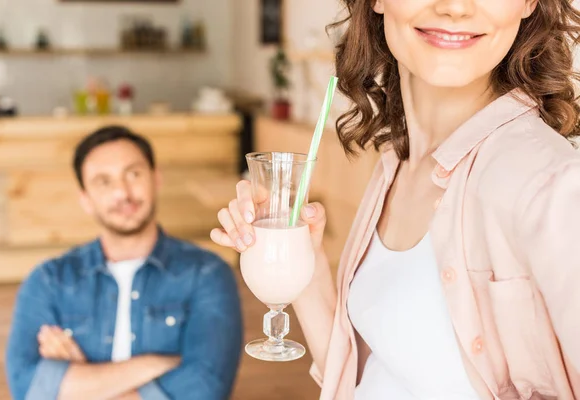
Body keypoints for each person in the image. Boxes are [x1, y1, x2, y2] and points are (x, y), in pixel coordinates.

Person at [212, 0, 580, 399]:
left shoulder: (550, 183)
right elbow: (364, 376)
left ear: (528, 4)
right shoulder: (398, 162)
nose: (455, 8)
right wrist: (305, 263)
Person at [7, 125, 243, 400]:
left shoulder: (207, 273)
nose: (123, 192)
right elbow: (27, 387)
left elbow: (205, 387)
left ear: (156, 179)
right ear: (86, 199)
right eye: (103, 182)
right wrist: (160, 363)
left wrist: (80, 385)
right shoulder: (49, 280)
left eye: (133, 174)